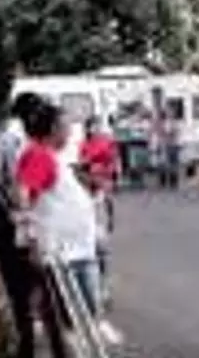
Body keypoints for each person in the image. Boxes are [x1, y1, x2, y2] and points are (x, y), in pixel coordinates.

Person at [16, 103, 123, 345]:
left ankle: (93, 329)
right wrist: (30, 236)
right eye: (66, 126)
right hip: (63, 253)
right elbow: (24, 193)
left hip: (77, 248)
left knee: (88, 304)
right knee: (71, 314)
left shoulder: (52, 156)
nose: (70, 132)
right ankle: (79, 340)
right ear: (53, 129)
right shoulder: (39, 155)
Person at [0, 92, 68, 358]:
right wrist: (27, 223)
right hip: (19, 226)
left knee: (21, 292)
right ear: (31, 114)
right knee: (42, 289)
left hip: (6, 224)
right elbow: (19, 189)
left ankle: (29, 344)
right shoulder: (19, 142)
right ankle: (47, 346)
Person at [78, 115, 118, 307]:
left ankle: (104, 289)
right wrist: (88, 168)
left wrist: (105, 176)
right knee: (94, 250)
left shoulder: (106, 142)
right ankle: (96, 290)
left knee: (101, 250)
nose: (94, 129)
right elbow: (81, 164)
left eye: (97, 126)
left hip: (102, 185)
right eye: (91, 126)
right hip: (90, 190)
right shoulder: (84, 144)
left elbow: (112, 163)